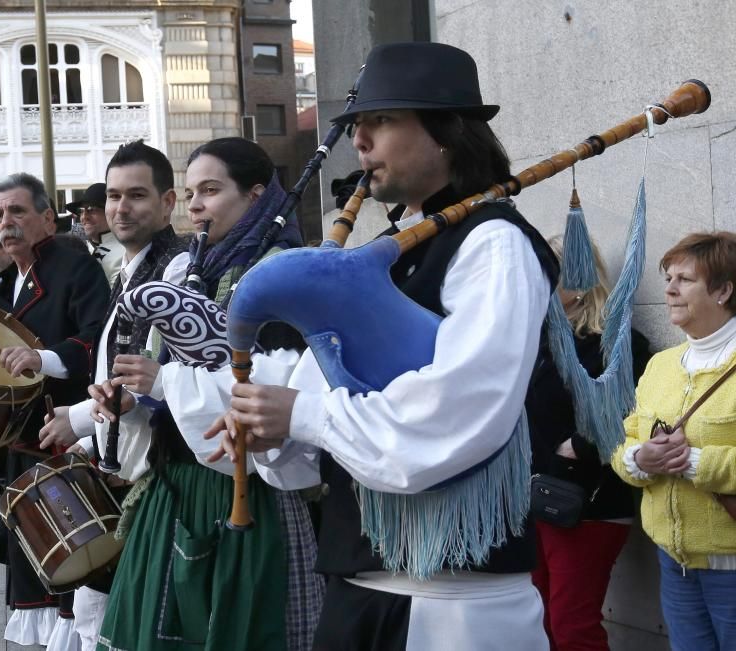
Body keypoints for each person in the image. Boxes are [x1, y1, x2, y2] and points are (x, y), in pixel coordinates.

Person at [190, 43, 559, 650]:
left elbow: (467, 406)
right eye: (356, 126)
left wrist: (304, 415)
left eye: (381, 121)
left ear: (445, 131)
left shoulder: (493, 242)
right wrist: (277, 427)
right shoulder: (378, 256)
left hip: (455, 609)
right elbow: (320, 402)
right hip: (357, 589)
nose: (359, 141)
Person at [47, 138, 319, 651]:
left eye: (210, 190)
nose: (195, 205)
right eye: (191, 191)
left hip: (246, 493)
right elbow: (167, 366)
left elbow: (278, 386)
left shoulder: (285, 274)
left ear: (257, 196)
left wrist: (165, 382)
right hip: (175, 488)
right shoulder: (192, 269)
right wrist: (133, 401)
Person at [37, 141, 189, 651]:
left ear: (169, 203)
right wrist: (82, 420)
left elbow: (169, 373)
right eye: (114, 196)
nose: (121, 208)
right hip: (119, 457)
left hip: (155, 472)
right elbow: (114, 373)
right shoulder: (129, 269)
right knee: (96, 610)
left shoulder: (177, 269)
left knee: (119, 615)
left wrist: (85, 419)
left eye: (137, 196)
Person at [0, 173, 109, 646]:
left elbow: (97, 335)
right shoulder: (6, 283)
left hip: (67, 429)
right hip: (26, 433)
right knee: (33, 552)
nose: (7, 223)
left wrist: (45, 358)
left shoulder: (74, 267)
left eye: (17, 211)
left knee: (69, 560)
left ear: (46, 217)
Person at [611, 232, 736, 651]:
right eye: (668, 277)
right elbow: (626, 440)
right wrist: (640, 458)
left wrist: (695, 462)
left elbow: (696, 461)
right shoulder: (662, 366)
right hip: (674, 565)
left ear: (723, 290)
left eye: (685, 279)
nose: (669, 289)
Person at [528, 236, 651, 650]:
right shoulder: (534, 341)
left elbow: (629, 410)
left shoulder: (615, 342)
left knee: (571, 626)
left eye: (546, 271)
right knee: (536, 621)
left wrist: (575, 448)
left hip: (586, 504)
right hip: (532, 500)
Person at [68, 182, 125, 285]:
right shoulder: (80, 250)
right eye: (81, 211)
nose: (84, 217)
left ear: (110, 212)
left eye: (91, 209)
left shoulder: (126, 253)